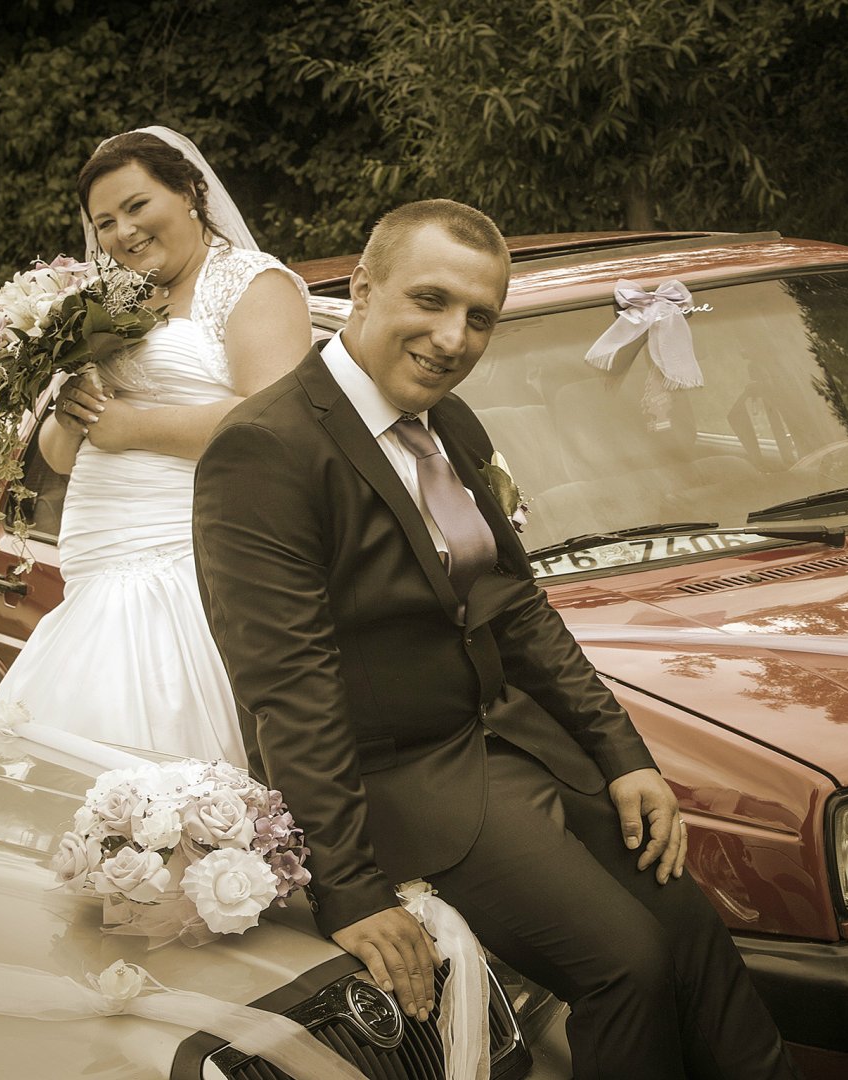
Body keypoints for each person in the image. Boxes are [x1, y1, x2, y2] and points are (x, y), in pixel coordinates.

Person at [193, 199, 797, 1079]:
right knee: (628, 968)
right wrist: (349, 888)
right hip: (401, 786)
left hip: (512, 751)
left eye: (480, 317)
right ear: (363, 289)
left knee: (694, 932)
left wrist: (622, 754)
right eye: (430, 300)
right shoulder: (265, 450)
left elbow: (515, 608)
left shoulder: (453, 424)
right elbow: (289, 688)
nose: (453, 338)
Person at [0, 126, 312, 762]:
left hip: (185, 552)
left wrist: (131, 428)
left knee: (152, 748)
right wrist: (70, 418)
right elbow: (59, 458)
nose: (123, 232)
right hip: (95, 556)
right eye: (105, 222)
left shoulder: (251, 283)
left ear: (189, 191)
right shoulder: (110, 302)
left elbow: (274, 426)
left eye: (137, 206)